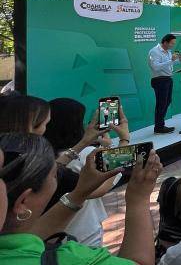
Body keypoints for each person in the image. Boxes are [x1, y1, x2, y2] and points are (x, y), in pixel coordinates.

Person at [0, 132, 163, 265]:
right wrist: (138, 198)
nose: (60, 172)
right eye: (55, 175)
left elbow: (31, 237)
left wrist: (79, 193)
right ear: (23, 202)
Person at [43, 98, 128, 246]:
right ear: (74, 126)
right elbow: (101, 188)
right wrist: (124, 140)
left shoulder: (41, 157)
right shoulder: (88, 155)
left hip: (49, 232)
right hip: (84, 233)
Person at [148, 33, 181, 134]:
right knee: (161, 104)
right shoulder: (154, 51)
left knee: (166, 102)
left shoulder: (168, 51)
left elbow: (169, 64)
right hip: (159, 80)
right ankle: (159, 128)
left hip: (168, 79)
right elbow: (156, 67)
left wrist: (178, 60)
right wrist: (171, 60)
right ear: (165, 42)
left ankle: (160, 125)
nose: (173, 45)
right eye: (171, 43)